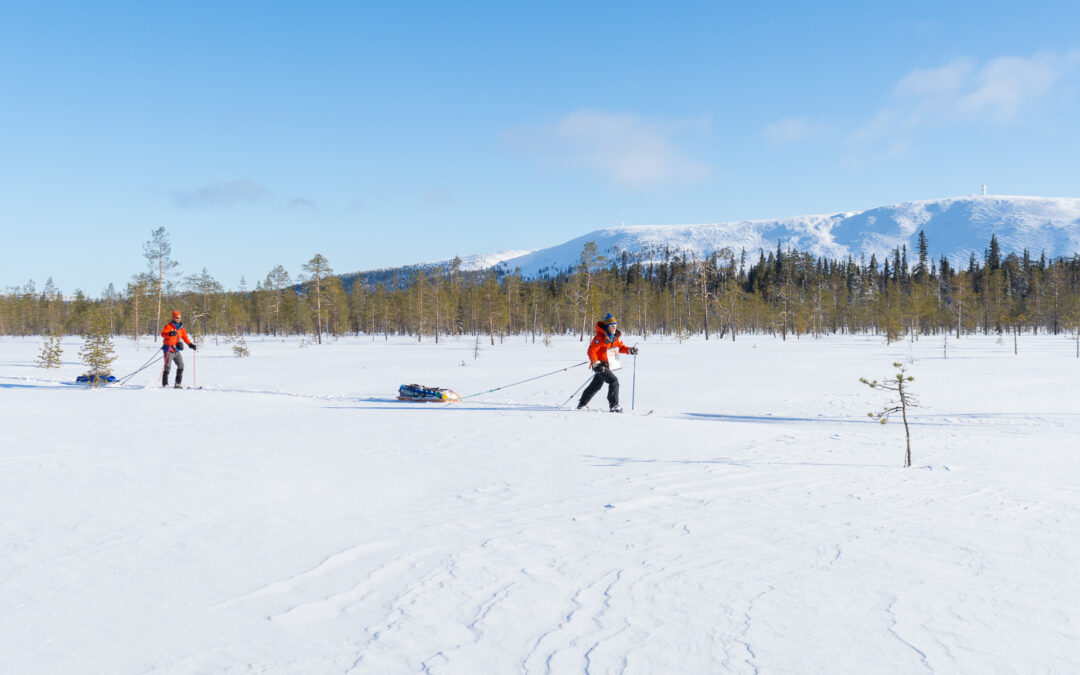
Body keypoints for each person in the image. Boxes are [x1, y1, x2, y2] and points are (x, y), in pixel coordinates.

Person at [578, 313, 638, 412]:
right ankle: (614, 405)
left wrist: (630, 350)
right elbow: (591, 351)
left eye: (615, 326)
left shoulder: (614, 337)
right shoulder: (600, 337)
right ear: (607, 327)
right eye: (612, 326)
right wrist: (596, 363)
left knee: (596, 385)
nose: (614, 328)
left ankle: (582, 404)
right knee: (613, 381)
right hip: (599, 365)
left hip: (607, 365)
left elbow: (621, 347)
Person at [161, 310, 197, 388]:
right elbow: (163, 334)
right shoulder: (169, 326)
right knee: (167, 366)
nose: (178, 319)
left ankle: (178, 383)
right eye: (177, 318)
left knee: (181, 365)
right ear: (173, 318)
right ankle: (165, 384)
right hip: (168, 349)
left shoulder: (181, 328)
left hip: (176, 349)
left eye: (180, 318)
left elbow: (185, 337)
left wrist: (190, 345)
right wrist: (169, 334)